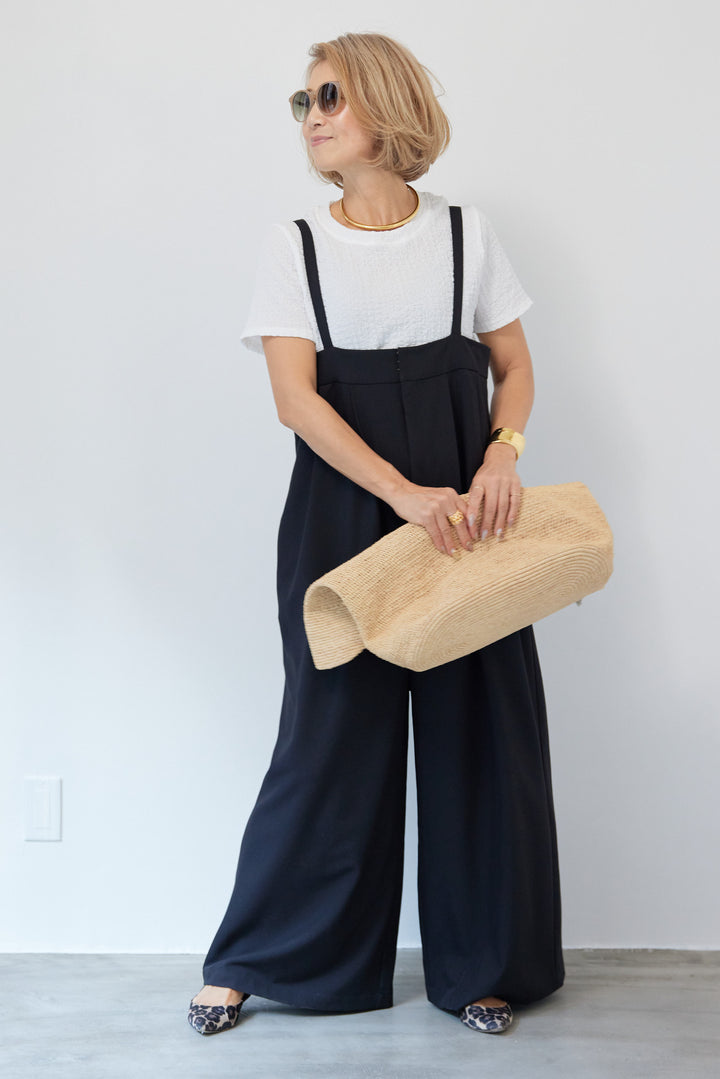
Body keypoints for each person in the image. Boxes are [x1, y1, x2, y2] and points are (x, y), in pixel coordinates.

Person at [188, 31, 564, 1037]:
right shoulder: (296, 246)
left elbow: (515, 365)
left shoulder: (464, 235)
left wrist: (502, 456)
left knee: (478, 734)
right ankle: (259, 958)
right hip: (345, 514)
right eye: (303, 101)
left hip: (468, 517)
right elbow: (295, 400)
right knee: (327, 739)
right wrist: (401, 492)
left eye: (330, 97)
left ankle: (484, 966)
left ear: (386, 106)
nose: (310, 116)